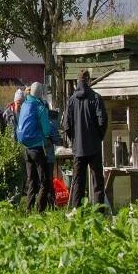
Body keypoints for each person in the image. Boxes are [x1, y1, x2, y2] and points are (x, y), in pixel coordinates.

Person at [63, 70, 108, 209]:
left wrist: (74, 140)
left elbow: (66, 125)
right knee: (97, 183)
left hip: (78, 149)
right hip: (94, 147)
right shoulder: (96, 98)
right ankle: (99, 212)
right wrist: (98, 137)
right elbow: (102, 121)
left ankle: (77, 212)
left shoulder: (71, 100)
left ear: (77, 82)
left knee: (78, 182)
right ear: (88, 81)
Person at [17, 82, 52, 213]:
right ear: (40, 93)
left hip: (26, 148)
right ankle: (40, 210)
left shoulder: (25, 104)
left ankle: (28, 209)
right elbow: (46, 129)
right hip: (37, 147)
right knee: (44, 181)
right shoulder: (39, 107)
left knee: (31, 180)